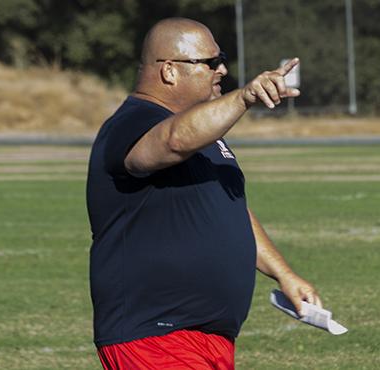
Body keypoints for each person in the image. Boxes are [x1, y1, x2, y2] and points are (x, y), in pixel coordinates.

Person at [86, 17, 322, 370]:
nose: (222, 69)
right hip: (155, 337)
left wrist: (283, 273)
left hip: (206, 339)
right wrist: (243, 97)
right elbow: (172, 140)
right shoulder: (132, 122)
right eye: (210, 62)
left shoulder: (206, 135)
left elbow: (230, 209)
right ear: (169, 71)